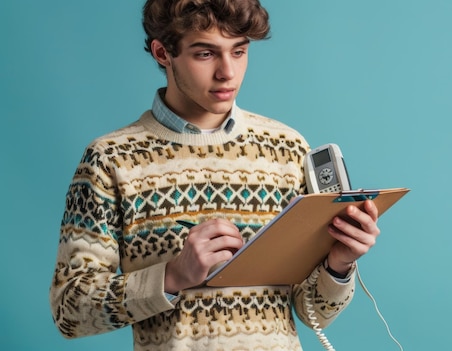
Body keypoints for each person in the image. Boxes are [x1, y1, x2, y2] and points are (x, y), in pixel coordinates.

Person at [49, 0, 381, 350]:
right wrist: (171, 276)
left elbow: (314, 312)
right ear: (163, 53)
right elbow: (69, 312)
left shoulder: (286, 148)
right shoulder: (110, 159)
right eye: (206, 54)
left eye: (239, 51)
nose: (228, 72)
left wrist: (339, 264)